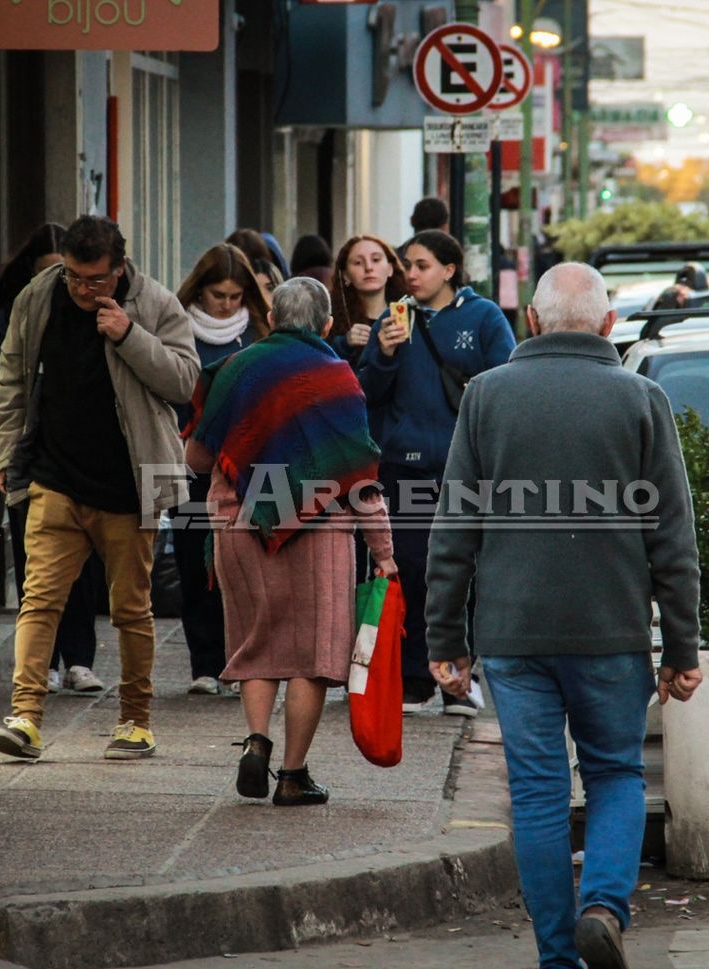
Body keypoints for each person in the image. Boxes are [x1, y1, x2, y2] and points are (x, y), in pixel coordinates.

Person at [426, 262, 702, 969]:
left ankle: (558, 968)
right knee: (614, 774)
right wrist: (681, 648)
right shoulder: (642, 400)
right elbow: (672, 537)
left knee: (540, 794)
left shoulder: (486, 397)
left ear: (534, 323)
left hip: (513, 637)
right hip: (610, 630)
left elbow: (454, 529)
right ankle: (604, 908)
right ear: (610, 326)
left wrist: (444, 641)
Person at [0, 214, 200, 761]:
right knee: (39, 600)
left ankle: (135, 721)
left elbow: (183, 381)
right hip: (53, 477)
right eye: (75, 277)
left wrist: (128, 335)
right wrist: (7, 455)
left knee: (131, 608)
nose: (84, 290)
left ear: (119, 266)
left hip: (129, 485)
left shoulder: (155, 304)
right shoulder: (39, 297)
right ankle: (26, 718)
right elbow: (10, 377)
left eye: (96, 280)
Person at [184, 277, 396, 805]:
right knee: (311, 656)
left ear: (272, 319)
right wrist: (385, 554)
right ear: (326, 326)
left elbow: (197, 459)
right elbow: (359, 475)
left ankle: (256, 744)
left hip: (238, 524)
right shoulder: (338, 378)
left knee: (258, 645)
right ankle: (293, 775)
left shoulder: (235, 369)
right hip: (319, 536)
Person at [357, 229, 515, 715]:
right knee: (410, 571)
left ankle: (458, 680)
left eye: (421, 265)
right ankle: (413, 680)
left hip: (463, 468)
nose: (410, 273)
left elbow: (506, 382)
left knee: (464, 574)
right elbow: (367, 393)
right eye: (407, 264)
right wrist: (383, 354)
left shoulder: (484, 316)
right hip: (403, 468)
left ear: (449, 270)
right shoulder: (394, 317)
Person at [0, 221, 105, 694]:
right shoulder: (21, 310)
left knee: (86, 564)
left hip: (87, 456)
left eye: (68, 272)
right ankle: (43, 664)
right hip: (37, 453)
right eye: (54, 272)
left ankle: (79, 658)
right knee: (37, 562)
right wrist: (7, 453)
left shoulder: (102, 310)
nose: (67, 284)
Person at [173, 244, 271, 696]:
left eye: (235, 296)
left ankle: (240, 658)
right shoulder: (176, 325)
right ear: (201, 289)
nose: (227, 304)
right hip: (191, 461)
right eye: (218, 295)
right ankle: (205, 663)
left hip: (251, 464)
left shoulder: (261, 329)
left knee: (245, 563)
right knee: (196, 560)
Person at [328, 234, 406, 368]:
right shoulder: (330, 320)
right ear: (345, 275)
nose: (368, 267)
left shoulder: (408, 313)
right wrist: (344, 345)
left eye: (376, 259)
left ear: (390, 269)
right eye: (358, 262)